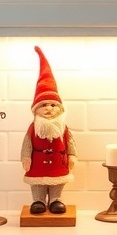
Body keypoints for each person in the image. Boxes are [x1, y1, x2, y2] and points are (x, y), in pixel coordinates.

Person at [21, 46, 76, 214]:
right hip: (37, 162)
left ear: (60, 108)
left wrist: (72, 155)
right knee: (38, 182)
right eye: (44, 105)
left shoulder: (63, 127)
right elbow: (27, 143)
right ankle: (38, 200)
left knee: (57, 183)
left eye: (53, 105)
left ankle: (55, 200)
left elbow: (70, 142)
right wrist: (25, 157)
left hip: (59, 162)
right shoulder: (33, 127)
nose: (49, 108)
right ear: (35, 109)